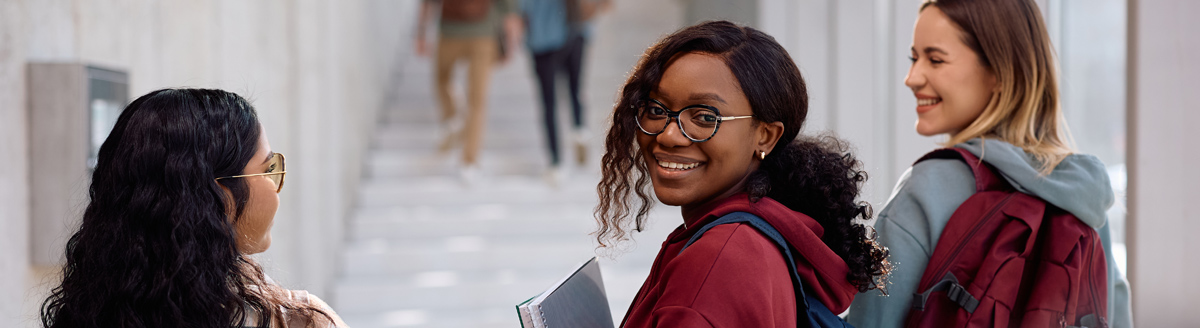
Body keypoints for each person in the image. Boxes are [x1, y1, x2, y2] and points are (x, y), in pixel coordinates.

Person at [845, 0, 1133, 327]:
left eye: (935, 60)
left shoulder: (927, 189)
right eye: (914, 58)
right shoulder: (1084, 196)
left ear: (998, 73)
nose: (912, 78)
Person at [594, 21, 890, 327]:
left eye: (705, 117)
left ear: (765, 136)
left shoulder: (718, 260)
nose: (669, 136)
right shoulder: (748, 237)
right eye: (656, 110)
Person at [40, 89, 348, 328]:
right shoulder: (297, 320)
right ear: (215, 194)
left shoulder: (87, 313)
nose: (276, 183)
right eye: (267, 169)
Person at [416, 0, 521, 183]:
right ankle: (469, 161)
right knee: (477, 101)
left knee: (441, 78)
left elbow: (428, 3)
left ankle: (452, 116)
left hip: (450, 31)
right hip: (483, 34)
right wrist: (510, 44)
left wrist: (421, 33)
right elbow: (509, 9)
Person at [519, 0, 611, 184]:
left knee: (548, 102)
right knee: (575, 87)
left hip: (543, 35)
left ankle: (555, 163)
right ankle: (579, 129)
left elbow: (521, 7)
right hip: (575, 30)